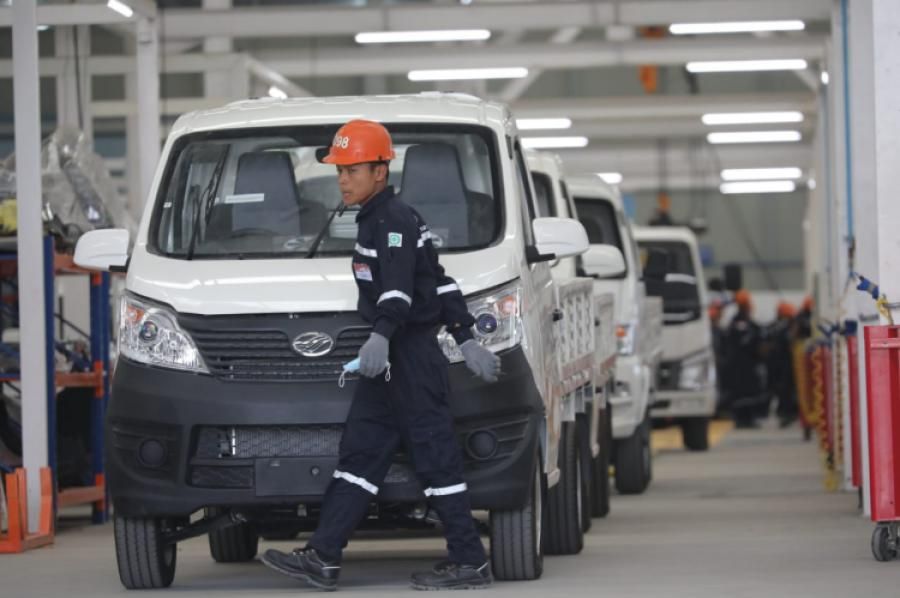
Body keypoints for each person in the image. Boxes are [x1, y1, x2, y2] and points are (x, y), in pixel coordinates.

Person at [261, 120, 500, 591]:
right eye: (339, 171)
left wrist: (390, 336)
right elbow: (437, 280)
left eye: (352, 169)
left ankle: (470, 561)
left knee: (435, 460)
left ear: (380, 171)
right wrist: (463, 332)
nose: (343, 179)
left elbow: (398, 295)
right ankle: (323, 556)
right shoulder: (385, 218)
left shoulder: (391, 222)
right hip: (393, 361)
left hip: (408, 358)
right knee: (361, 455)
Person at [723, 289, 764, 428]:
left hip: (748, 363)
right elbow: (743, 341)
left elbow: (757, 331)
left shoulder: (746, 321)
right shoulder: (739, 322)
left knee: (750, 390)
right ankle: (742, 419)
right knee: (742, 391)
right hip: (740, 364)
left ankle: (749, 418)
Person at [765, 302, 799, 428]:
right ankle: (786, 414)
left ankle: (784, 413)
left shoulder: (774, 327)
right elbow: (789, 344)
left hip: (777, 365)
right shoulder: (784, 329)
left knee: (781, 390)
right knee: (785, 391)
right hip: (784, 364)